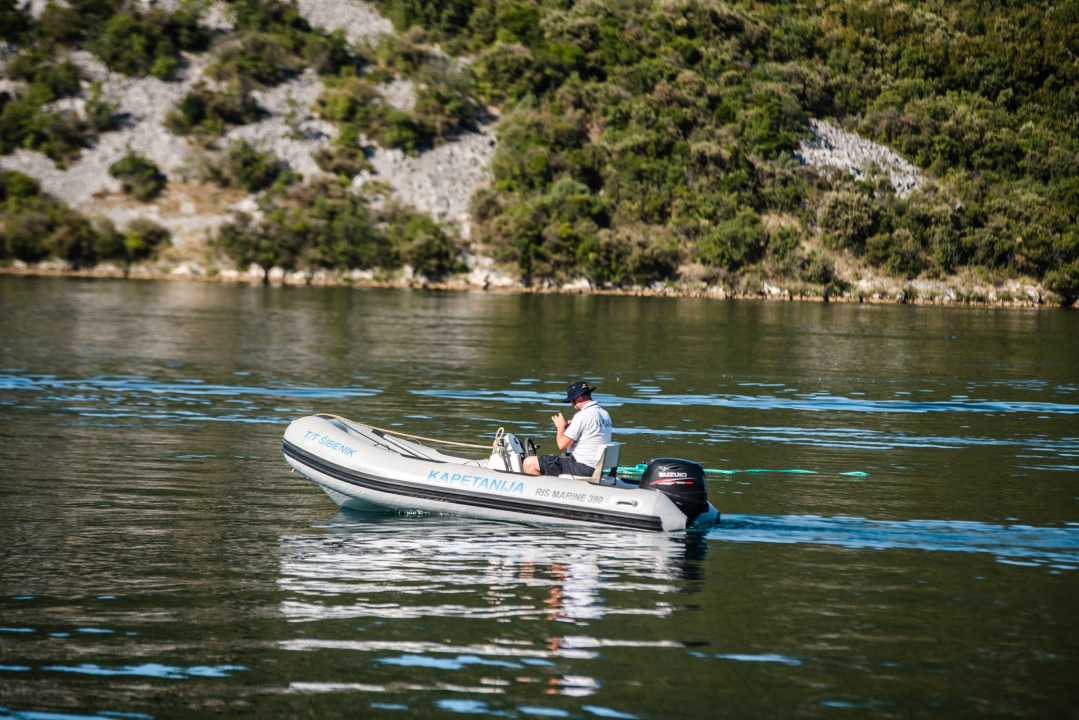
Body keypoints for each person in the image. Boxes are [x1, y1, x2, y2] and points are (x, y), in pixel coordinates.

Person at [523, 381, 613, 477]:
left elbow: (562, 445)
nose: (572, 405)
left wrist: (560, 427)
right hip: (595, 467)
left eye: (571, 401)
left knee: (529, 463)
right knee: (551, 456)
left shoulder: (582, 415)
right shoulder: (604, 414)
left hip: (584, 468)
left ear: (577, 398)